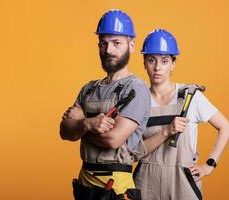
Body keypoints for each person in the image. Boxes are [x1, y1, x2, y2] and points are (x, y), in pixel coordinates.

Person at [59, 9, 151, 200]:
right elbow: (65, 132)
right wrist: (88, 124)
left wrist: (80, 125)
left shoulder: (135, 89)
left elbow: (113, 140)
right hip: (85, 181)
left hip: (115, 185)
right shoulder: (89, 88)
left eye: (116, 43)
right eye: (103, 43)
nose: (108, 50)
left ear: (131, 45)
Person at [133, 29, 229, 200]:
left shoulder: (191, 97)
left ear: (173, 64)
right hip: (146, 183)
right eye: (151, 60)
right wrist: (166, 131)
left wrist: (209, 165)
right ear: (144, 63)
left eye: (164, 61)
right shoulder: (138, 100)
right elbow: (133, 152)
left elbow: (226, 127)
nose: (157, 67)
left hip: (183, 182)